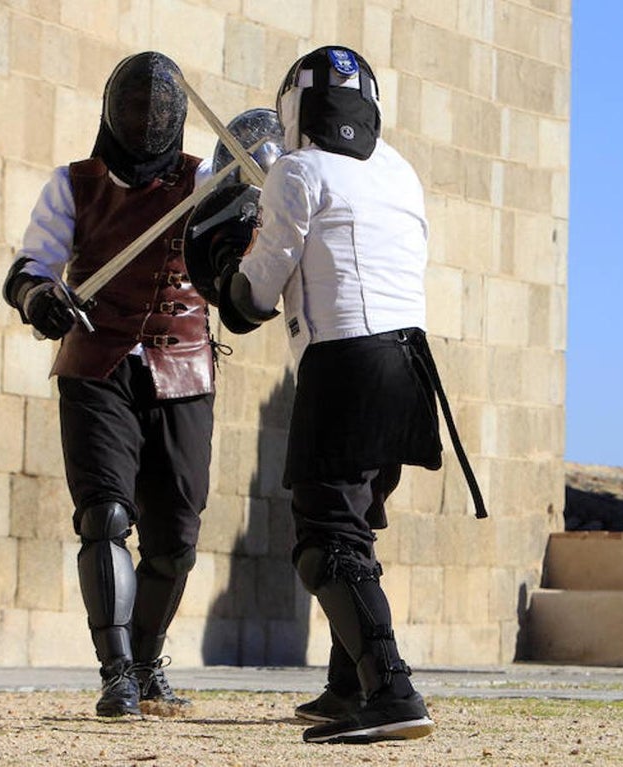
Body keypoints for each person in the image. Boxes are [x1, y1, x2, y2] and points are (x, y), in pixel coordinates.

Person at [201, 45, 486, 744]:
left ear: (296, 109)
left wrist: (224, 269)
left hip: (346, 367)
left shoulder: (297, 171)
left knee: (326, 539)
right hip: (411, 366)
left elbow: (255, 293)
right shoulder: (400, 170)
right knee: (356, 526)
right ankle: (347, 682)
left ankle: (390, 688)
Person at [2, 51, 218, 717]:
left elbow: (250, 244)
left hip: (183, 367)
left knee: (175, 537)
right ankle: (116, 671)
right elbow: (30, 267)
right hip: (96, 361)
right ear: (111, 110)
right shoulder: (74, 184)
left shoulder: (208, 180)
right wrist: (41, 297)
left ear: (177, 116)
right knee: (106, 516)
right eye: (133, 106)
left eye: (158, 108)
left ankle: (150, 662)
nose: (146, 118)